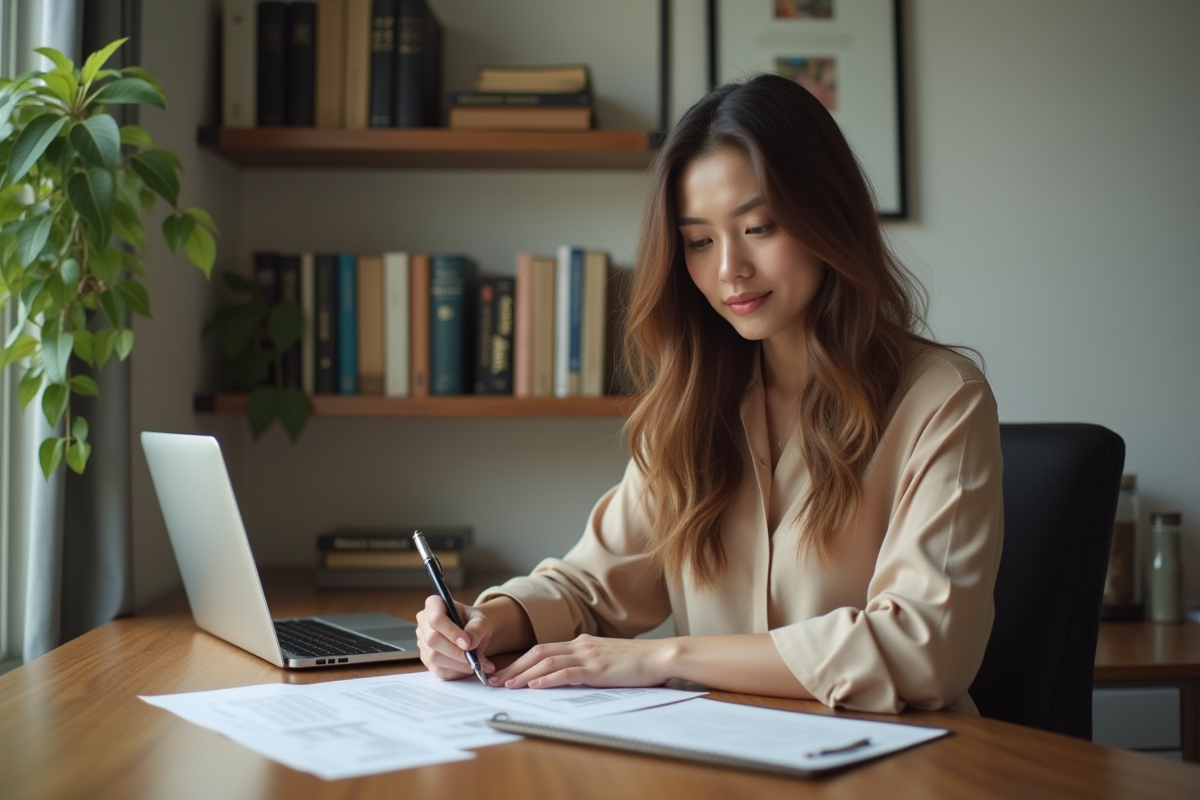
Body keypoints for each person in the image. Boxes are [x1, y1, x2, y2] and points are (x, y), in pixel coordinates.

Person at [416, 73, 1004, 714]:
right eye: (699, 241)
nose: (729, 270)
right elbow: (594, 585)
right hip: (719, 762)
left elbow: (923, 649)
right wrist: (489, 623)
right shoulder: (695, 403)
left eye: (760, 227)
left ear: (827, 215)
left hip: (895, 767)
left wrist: (663, 657)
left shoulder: (943, 399)